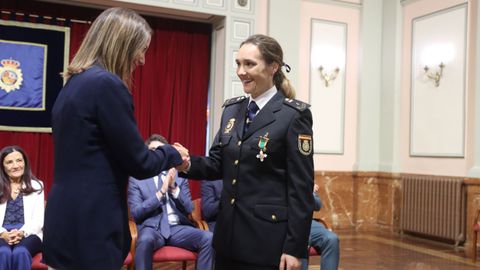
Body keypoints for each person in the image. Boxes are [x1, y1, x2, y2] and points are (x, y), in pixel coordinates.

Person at [42, 7, 189, 270]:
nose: (142, 59)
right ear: (122, 45)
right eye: (140, 49)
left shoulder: (72, 84)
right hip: (92, 222)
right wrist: (173, 153)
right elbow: (139, 162)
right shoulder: (107, 85)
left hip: (63, 218)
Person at [178, 34, 314, 270]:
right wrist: (186, 164)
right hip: (227, 240)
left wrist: (294, 248)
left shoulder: (293, 115)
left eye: (249, 64)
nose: (241, 71)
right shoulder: (232, 110)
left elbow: (301, 189)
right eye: (238, 63)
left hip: (267, 242)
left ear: (273, 66)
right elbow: (217, 164)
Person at [128, 134, 214, 270]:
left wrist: (174, 188)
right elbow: (136, 213)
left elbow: (189, 208)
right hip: (152, 228)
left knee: (208, 238)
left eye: (161, 151)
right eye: (153, 152)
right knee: (144, 241)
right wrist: (160, 193)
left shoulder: (179, 177)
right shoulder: (138, 179)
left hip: (177, 229)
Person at [0, 146, 44, 270]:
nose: (15, 166)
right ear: (2, 166)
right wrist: (2, 233)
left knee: (21, 252)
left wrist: (21, 232)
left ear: (25, 162)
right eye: (9, 162)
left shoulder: (37, 185)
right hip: (1, 233)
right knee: (3, 252)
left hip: (29, 233)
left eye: (19, 160)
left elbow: (38, 219)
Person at [300, 184, 339, 270]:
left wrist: (309, 193)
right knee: (303, 237)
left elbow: (317, 205)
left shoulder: (305, 176)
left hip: (308, 222)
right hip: (288, 221)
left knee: (331, 239)